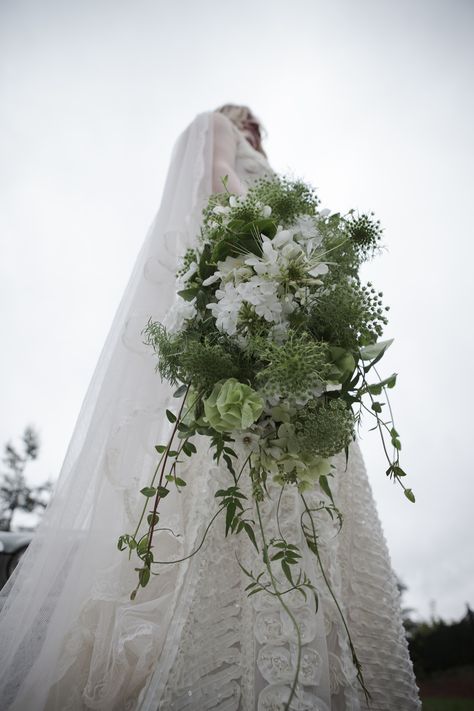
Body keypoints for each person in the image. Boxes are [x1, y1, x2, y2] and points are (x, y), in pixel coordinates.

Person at [0, 106, 421, 710]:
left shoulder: (271, 164)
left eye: (257, 126)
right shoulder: (213, 126)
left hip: (294, 329)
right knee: (230, 470)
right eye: (246, 118)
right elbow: (216, 180)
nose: (252, 127)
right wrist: (255, 265)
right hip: (252, 298)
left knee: (312, 494)